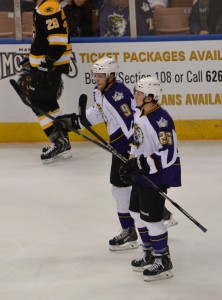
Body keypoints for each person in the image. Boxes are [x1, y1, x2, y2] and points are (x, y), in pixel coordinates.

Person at [119, 76, 182, 281]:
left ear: (150, 97)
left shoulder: (161, 120)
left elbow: (168, 153)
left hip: (155, 176)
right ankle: (148, 252)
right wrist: (131, 160)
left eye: (138, 93)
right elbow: (136, 140)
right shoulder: (141, 114)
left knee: (153, 219)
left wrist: (142, 164)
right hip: (141, 175)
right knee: (136, 213)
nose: (134, 96)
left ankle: (163, 260)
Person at [18, 0, 72, 164]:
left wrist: (45, 65)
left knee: (38, 102)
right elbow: (44, 40)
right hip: (50, 65)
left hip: (51, 66)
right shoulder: (44, 7)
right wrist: (33, 60)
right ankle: (64, 143)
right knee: (49, 102)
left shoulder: (48, 7)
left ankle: (58, 141)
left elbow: (57, 41)